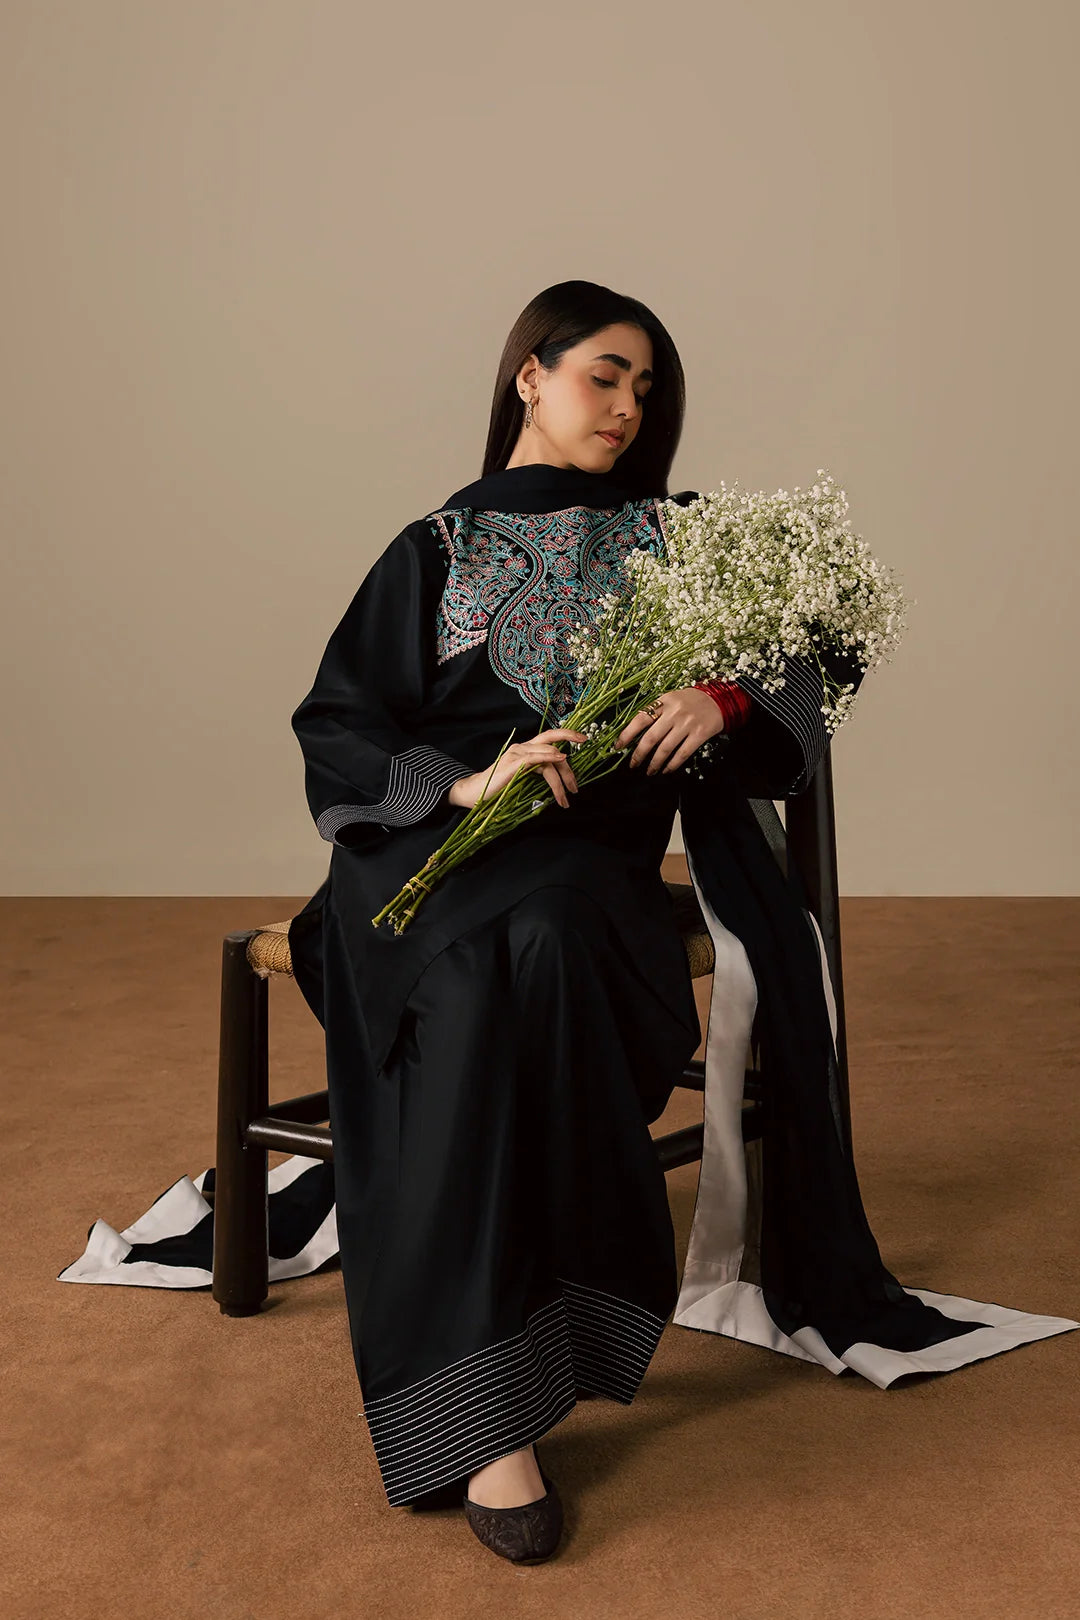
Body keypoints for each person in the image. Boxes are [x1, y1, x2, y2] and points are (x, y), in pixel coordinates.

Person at [284, 280, 1078, 1563]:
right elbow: (340, 721)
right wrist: (471, 784)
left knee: (542, 952)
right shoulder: (434, 546)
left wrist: (722, 699)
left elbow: (821, 647)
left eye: (646, 389)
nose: (628, 406)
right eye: (604, 375)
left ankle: (524, 1366)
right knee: (474, 982)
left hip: (585, 867)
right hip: (428, 859)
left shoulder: (683, 538)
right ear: (530, 377)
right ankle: (485, 1425)